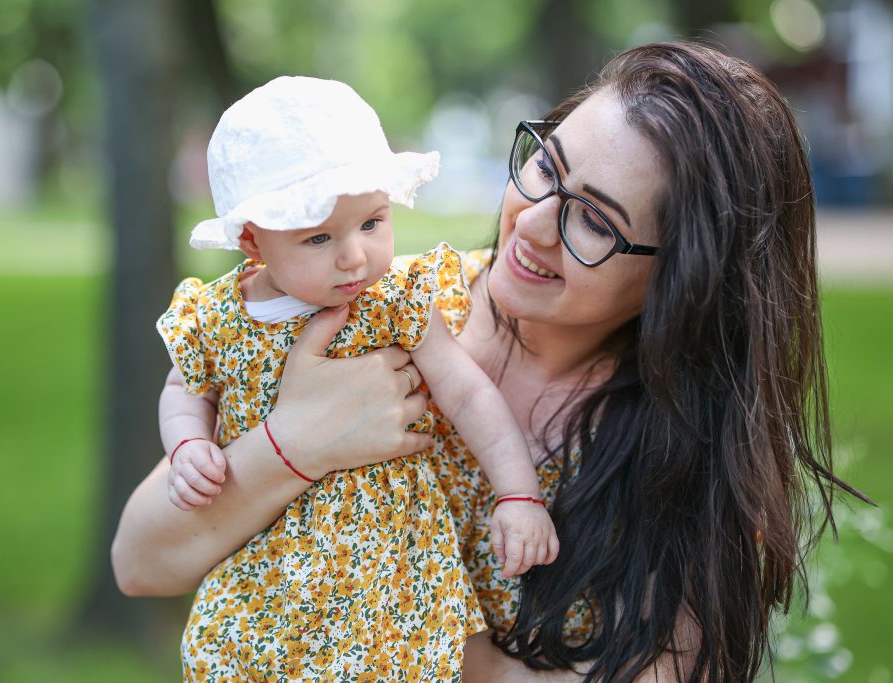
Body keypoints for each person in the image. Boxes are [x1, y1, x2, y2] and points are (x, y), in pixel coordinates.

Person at [113, 42, 865, 682]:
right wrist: (293, 443)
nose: (530, 223)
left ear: (686, 276)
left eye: (593, 220)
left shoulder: (687, 453)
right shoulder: (376, 316)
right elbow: (141, 562)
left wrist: (428, 644)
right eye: (545, 167)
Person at [153, 75, 557, 682]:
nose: (354, 256)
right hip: (266, 559)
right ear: (253, 240)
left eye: (371, 223)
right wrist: (187, 443)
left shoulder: (395, 300)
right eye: (318, 237)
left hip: (389, 562)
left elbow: (469, 392)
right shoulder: (219, 317)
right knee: (236, 656)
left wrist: (518, 494)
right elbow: (185, 389)